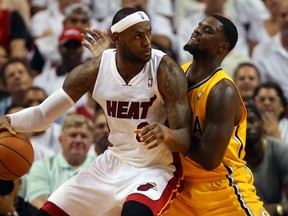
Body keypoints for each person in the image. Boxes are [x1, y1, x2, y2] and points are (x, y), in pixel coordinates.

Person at [0, 7, 191, 216]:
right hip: (111, 164)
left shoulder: (166, 70)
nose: (147, 42)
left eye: (148, 33)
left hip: (155, 169)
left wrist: (168, 134)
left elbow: (185, 138)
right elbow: (44, 115)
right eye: (138, 36)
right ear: (118, 38)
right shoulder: (93, 70)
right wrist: (8, 119)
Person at [163, 15, 268, 215]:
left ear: (221, 47)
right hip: (182, 189)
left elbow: (209, 159)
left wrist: (170, 137)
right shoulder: (179, 75)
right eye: (199, 26)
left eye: (207, 31)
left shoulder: (222, 90)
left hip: (221, 190)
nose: (197, 31)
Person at [26, 114, 95, 209]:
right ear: (61, 140)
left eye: (84, 136)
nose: (78, 140)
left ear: (91, 141)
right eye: (73, 135)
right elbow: (38, 201)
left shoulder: (101, 167)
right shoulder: (41, 166)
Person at [244, 101, 288, 215]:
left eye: (251, 120)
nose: (247, 127)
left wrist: (277, 209)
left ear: (262, 123)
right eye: (242, 123)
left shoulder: (281, 150)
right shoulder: (231, 157)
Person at [252, 0, 288, 99]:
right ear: (277, 18)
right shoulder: (261, 51)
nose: (287, 19)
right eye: (283, 15)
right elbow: (259, 90)